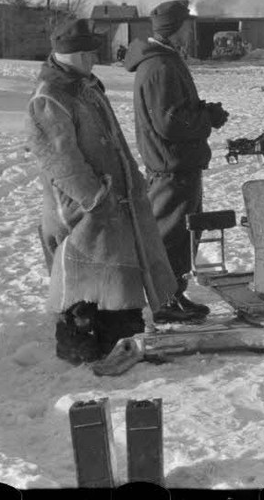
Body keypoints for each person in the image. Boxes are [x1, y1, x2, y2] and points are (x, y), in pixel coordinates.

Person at [26, 18, 180, 365]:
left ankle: (119, 341)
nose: (94, 60)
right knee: (82, 284)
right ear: (73, 54)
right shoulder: (51, 96)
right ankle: (77, 351)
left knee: (115, 277)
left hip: (107, 202)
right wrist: (93, 197)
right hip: (82, 209)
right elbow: (58, 157)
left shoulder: (83, 86)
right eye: (89, 54)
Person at [124, 0, 230, 323]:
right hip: (172, 167)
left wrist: (201, 112)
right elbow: (169, 123)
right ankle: (164, 303)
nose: (190, 30)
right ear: (175, 29)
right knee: (170, 235)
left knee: (182, 234)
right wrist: (206, 119)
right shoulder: (160, 67)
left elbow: (173, 113)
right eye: (186, 25)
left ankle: (174, 294)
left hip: (178, 164)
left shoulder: (164, 61)